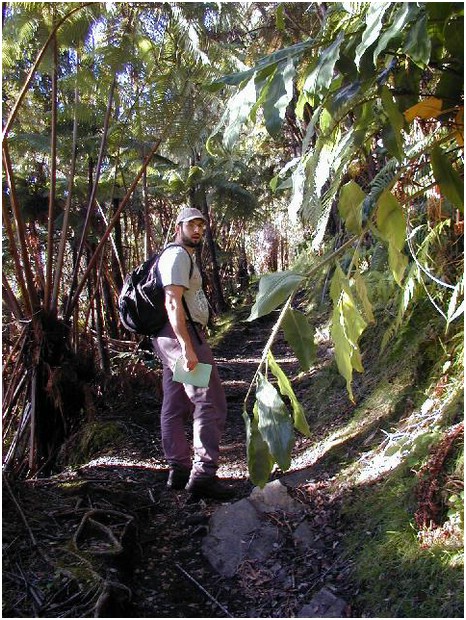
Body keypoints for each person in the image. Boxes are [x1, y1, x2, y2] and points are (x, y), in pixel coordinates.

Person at [151, 207, 234, 500]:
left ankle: (179, 469)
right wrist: (187, 348)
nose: (197, 230)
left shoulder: (178, 255)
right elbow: (173, 303)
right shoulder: (177, 256)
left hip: (169, 338)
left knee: (175, 403)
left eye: (201, 225)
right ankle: (203, 474)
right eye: (192, 225)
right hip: (181, 336)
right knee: (208, 401)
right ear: (179, 227)